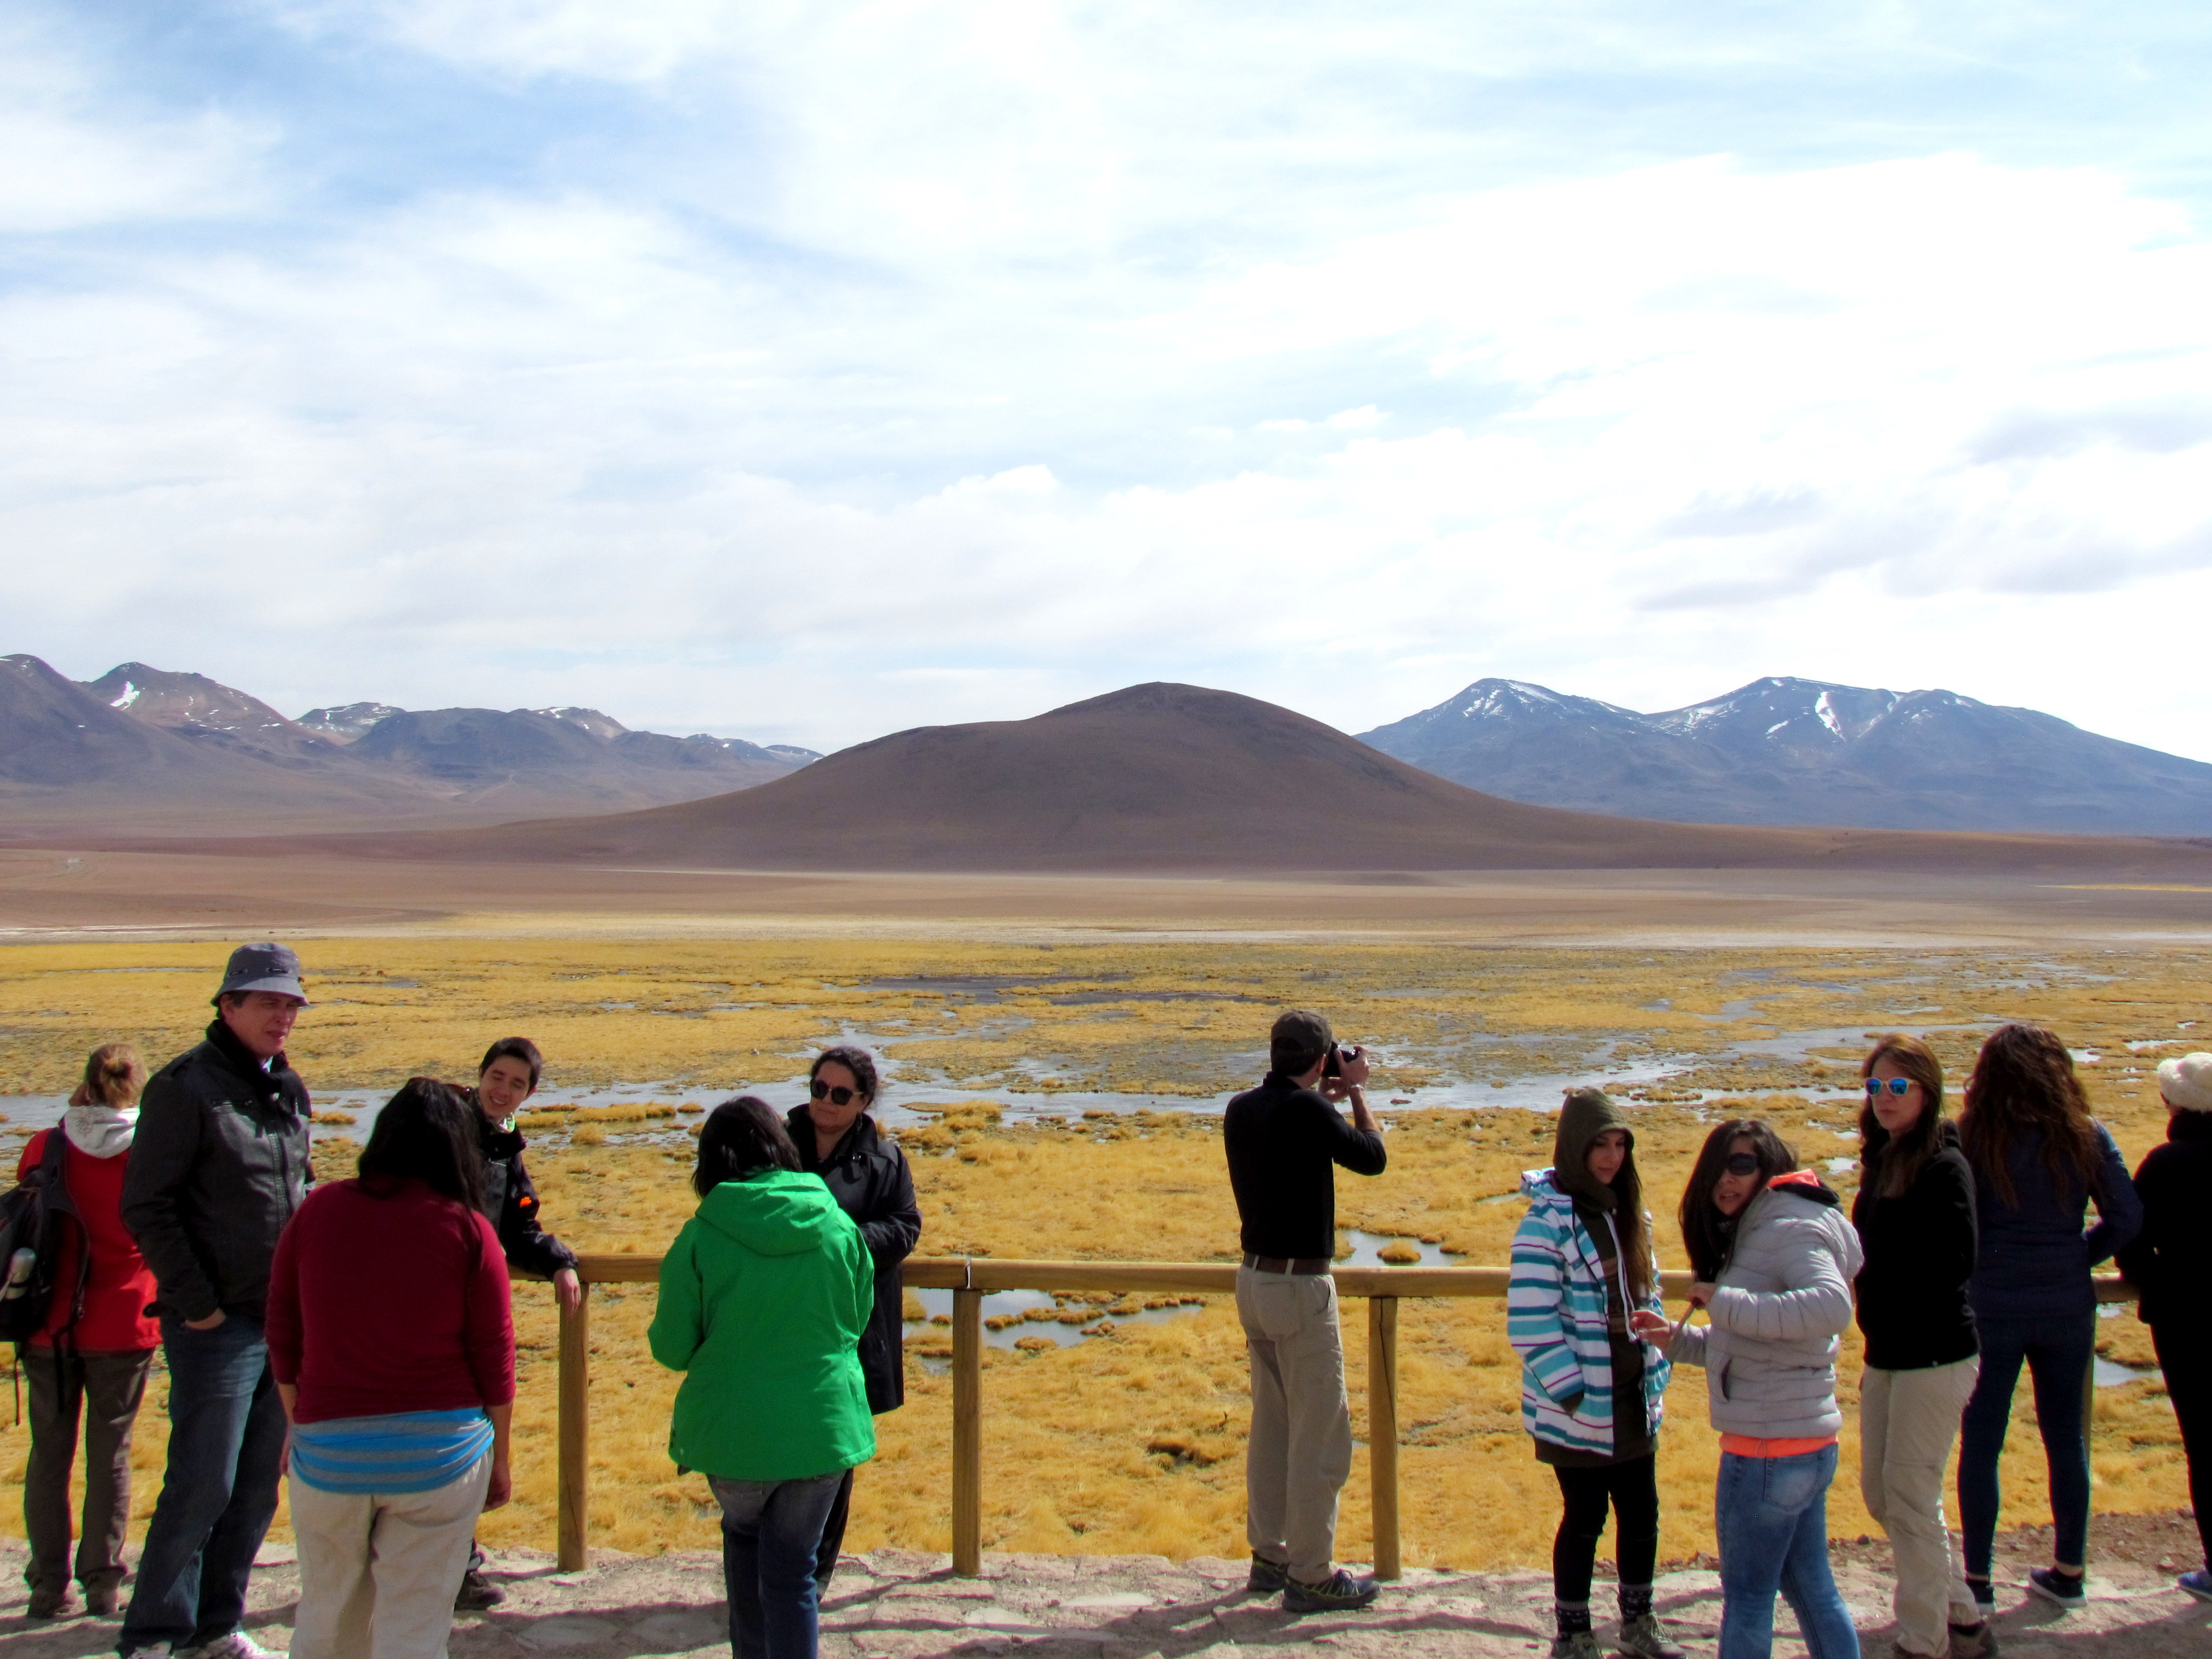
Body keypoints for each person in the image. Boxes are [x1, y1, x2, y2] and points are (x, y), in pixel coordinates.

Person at [268, 1079, 515, 1659]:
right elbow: (495, 1357)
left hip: (328, 1454)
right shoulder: (467, 1228)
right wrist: (500, 1457)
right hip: (440, 1459)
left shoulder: (319, 1209)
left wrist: (297, 1423)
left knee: (327, 1615)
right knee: (416, 1622)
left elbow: (282, 1330)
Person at [119, 943, 313, 1659]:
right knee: (203, 1480)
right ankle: (154, 1633)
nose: (282, 1016)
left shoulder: (288, 1090)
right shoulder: (185, 1088)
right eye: (268, 1002)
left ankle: (214, 1626)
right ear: (228, 1005)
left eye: (291, 1004)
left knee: (259, 1483)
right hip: (218, 1326)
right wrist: (195, 1302)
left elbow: (298, 1194)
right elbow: (146, 1206)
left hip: (281, 1322)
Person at [650, 1097, 876, 1659]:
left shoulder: (702, 1234)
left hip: (734, 1431)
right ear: (781, 1147)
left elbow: (672, 1347)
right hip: (822, 1425)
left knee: (745, 1552)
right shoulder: (836, 1225)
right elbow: (855, 1316)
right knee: (794, 1572)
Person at [1955, 1023, 2142, 1612]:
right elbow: (2128, 1216)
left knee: (1982, 1441)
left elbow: (1955, 1220)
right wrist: (2077, 1255)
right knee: (2067, 1440)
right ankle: (2069, 1570)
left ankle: (1979, 1580)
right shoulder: (2084, 1134)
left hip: (1991, 1305)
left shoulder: (1971, 1135)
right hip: (2066, 1305)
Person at [1668, 1119, 1862, 1659]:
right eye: (1718, 1169)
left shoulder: (1784, 1228)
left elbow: (1832, 1307)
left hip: (1763, 1454)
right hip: (1805, 1443)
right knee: (1811, 1590)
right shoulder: (1773, 1224)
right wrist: (1678, 1341)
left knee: (1750, 1600)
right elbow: (1759, 1344)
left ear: (1771, 1166)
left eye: (1743, 1165)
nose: (1726, 1180)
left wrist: (1724, 1302)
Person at [1507, 1087, 1682, 1659]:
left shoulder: (1628, 1212)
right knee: (1584, 1517)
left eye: (1620, 1145)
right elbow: (1531, 1321)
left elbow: (1641, 1294)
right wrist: (1572, 1392)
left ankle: (1638, 1621)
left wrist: (1657, 1345)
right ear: (1572, 1148)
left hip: (1634, 1391)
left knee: (1642, 1512)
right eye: (1598, 1145)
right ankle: (1574, 1634)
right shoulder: (1546, 1223)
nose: (1611, 1157)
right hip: (1580, 1404)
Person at [1223, 1010, 1388, 1614]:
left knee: (1272, 1426)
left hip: (1254, 1282)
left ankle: (1269, 1554)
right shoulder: (1312, 1113)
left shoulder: (1244, 1109)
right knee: (1320, 1434)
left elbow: (1292, 1123)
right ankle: (1312, 1573)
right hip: (1300, 1289)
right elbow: (1372, 1157)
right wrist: (1359, 1093)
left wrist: (1326, 1090)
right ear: (1322, 1059)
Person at [1852, 1035, 1992, 1659]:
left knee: (1910, 1493)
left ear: (1926, 1092)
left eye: (1897, 1087)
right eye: (1876, 1086)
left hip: (1935, 1354)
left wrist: (1879, 1276)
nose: (1884, 1098)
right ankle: (1962, 1613)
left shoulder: (1942, 1165)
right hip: (1886, 1351)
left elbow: (1957, 1260)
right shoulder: (1885, 1157)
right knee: (1884, 1494)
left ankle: (1923, 1640)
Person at [17, 1045, 160, 1621]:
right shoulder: (149, 1151)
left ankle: (49, 1587)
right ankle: (102, 1583)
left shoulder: (44, 1146)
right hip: (125, 1322)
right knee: (113, 1457)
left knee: (48, 1456)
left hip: (47, 1324)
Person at [784, 1045, 920, 1591]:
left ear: (863, 1101)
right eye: (819, 1089)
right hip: (778, 1323)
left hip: (847, 1330)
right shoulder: (773, 1145)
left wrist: (841, 1243)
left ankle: (811, 1579)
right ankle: (773, 1571)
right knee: (776, 1444)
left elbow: (904, 1229)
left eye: (841, 1094)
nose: (826, 1102)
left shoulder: (884, 1160)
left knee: (832, 1456)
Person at [455, 1035, 581, 1612]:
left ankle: (457, 1563)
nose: (502, 1091)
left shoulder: (505, 1145)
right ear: (479, 1075)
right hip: (425, 1302)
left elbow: (519, 1224)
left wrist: (557, 1261)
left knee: (469, 1432)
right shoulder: (441, 1128)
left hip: (472, 1306)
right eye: (497, 1077)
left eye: (517, 1085)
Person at [2113, 1052, 2212, 1603]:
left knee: (2203, 1442)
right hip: (2185, 1314)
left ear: (2173, 1104)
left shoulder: (2166, 1164)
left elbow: (2129, 1232)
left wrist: (2156, 1281)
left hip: (2186, 1322)